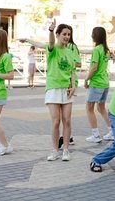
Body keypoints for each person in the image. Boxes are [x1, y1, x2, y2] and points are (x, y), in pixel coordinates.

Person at [43, 20, 75, 161]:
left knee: (67, 120)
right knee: (56, 121)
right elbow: (50, 44)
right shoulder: (52, 49)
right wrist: (50, 30)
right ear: (57, 35)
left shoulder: (70, 52)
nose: (67, 37)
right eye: (64, 34)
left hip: (67, 89)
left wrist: (73, 85)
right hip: (53, 88)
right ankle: (55, 150)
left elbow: (72, 71)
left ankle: (66, 150)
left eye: (68, 34)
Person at [84, 26, 113, 143]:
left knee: (89, 108)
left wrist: (86, 79)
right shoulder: (106, 50)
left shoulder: (97, 50)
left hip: (96, 83)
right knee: (101, 108)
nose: (91, 36)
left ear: (96, 35)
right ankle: (113, 132)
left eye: (92, 34)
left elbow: (94, 67)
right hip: (105, 83)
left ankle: (95, 135)